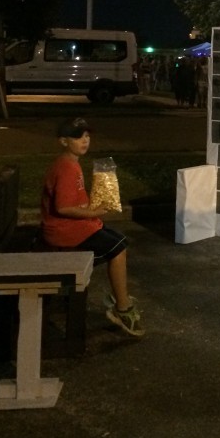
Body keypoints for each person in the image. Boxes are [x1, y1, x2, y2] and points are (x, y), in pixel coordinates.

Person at [40, 117, 144, 337]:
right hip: (64, 233)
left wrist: (93, 205)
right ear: (63, 141)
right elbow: (64, 208)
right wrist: (94, 212)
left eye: (87, 136)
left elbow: (74, 200)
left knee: (117, 239)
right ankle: (122, 308)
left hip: (73, 227)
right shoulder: (66, 168)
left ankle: (119, 295)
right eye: (77, 137)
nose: (84, 141)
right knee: (118, 248)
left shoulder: (71, 164)